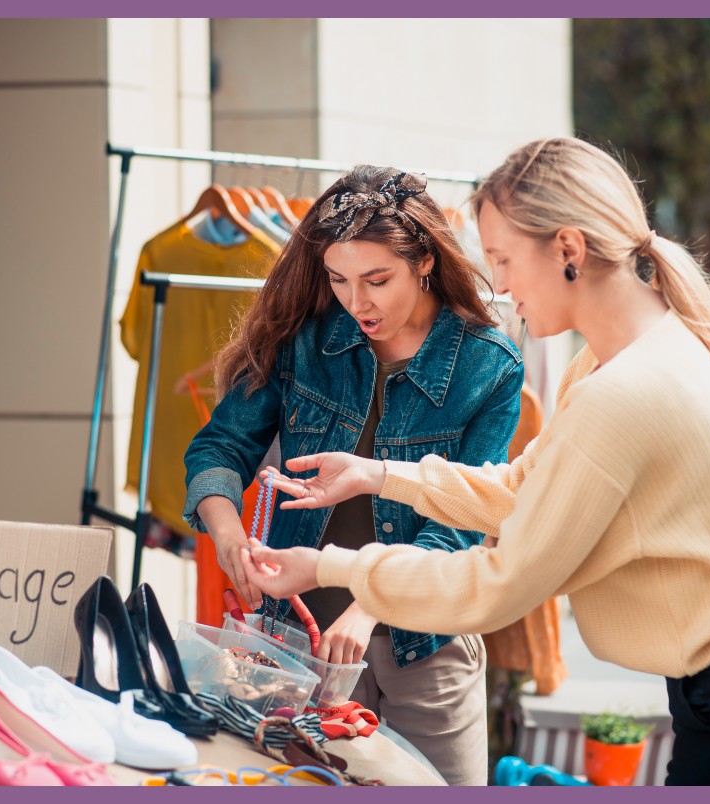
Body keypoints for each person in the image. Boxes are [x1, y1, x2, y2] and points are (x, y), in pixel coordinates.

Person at [242, 137, 710, 786]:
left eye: (504, 260)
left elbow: (498, 583)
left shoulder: (621, 393)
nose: (501, 284)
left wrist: (330, 566)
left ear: (568, 250)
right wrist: (380, 474)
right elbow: (525, 490)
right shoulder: (631, 354)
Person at [182, 166, 524, 786]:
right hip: (299, 648)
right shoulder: (306, 342)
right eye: (338, 279)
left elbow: (463, 522)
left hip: (428, 646)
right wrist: (229, 536)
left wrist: (370, 602)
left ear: (423, 261)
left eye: (377, 279)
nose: (356, 301)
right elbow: (219, 447)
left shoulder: (488, 366)